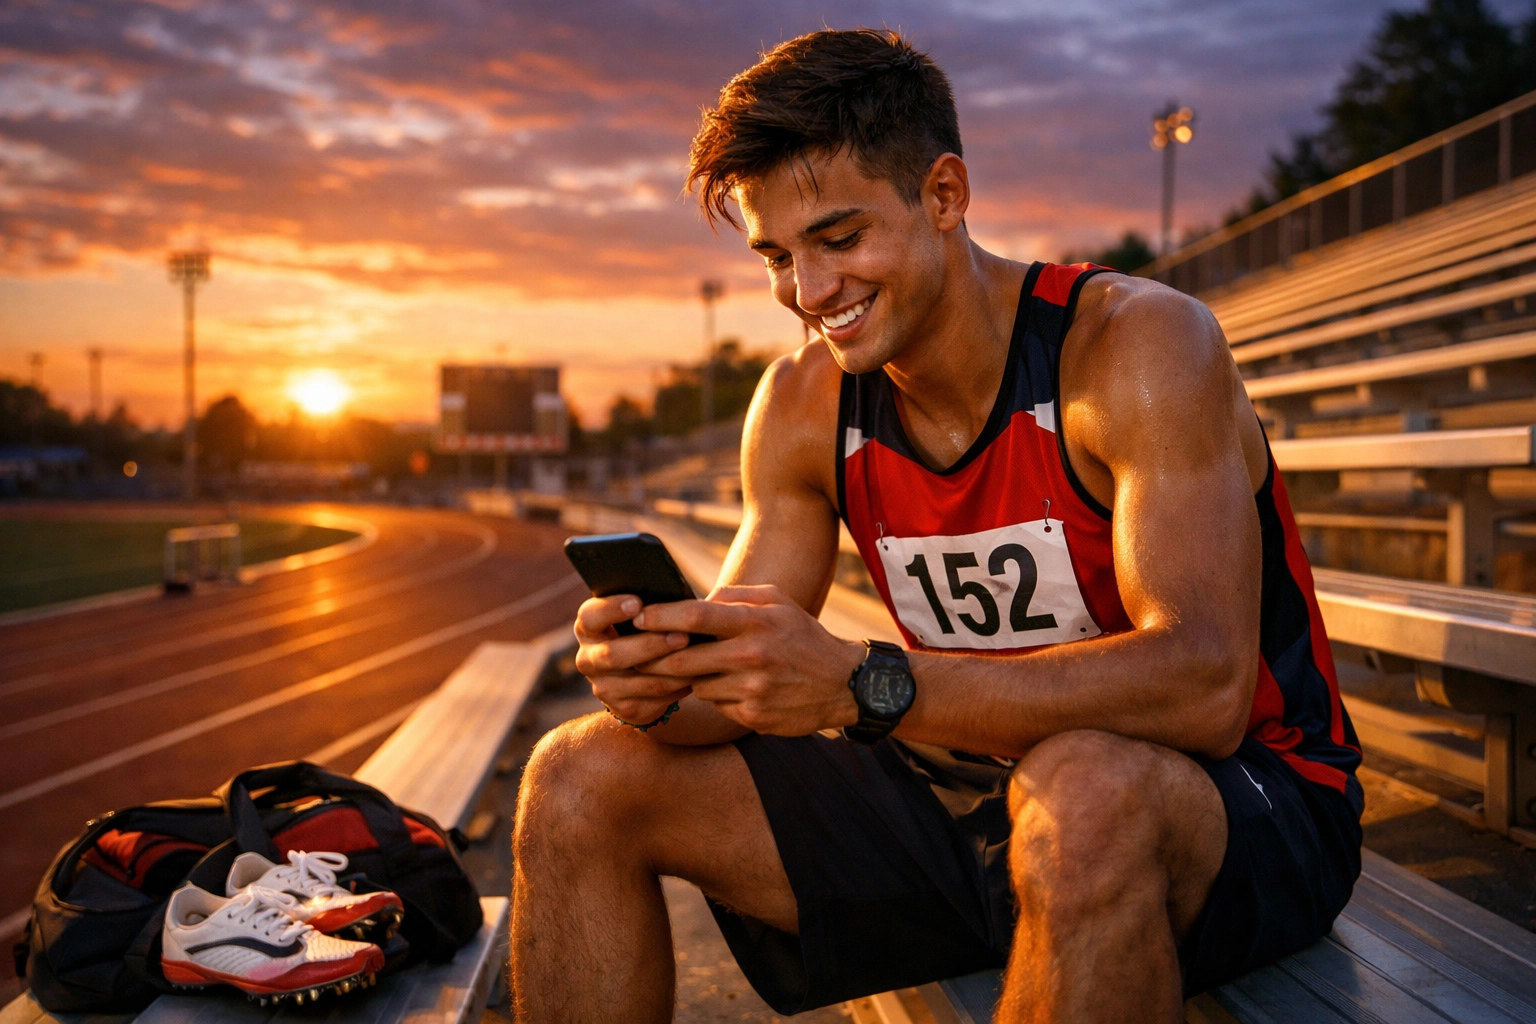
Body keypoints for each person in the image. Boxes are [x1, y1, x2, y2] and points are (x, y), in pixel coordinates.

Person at [511, 28, 1362, 1024]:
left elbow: (1207, 686)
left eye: (838, 238)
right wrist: (656, 681)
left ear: (944, 196)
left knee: (1083, 791)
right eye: (778, 256)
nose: (809, 293)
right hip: (968, 795)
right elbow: (727, 699)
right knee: (577, 774)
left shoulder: (1132, 345)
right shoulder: (800, 403)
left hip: (1234, 802)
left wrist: (861, 683)